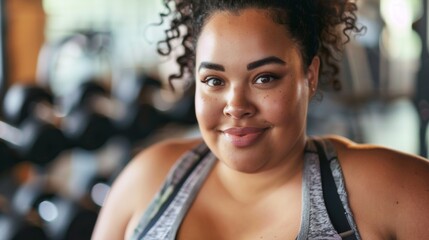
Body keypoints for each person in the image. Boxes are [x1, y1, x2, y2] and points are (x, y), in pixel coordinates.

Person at [92, 0, 429, 239]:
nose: (236, 106)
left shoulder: (395, 190)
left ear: (310, 76)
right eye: (214, 80)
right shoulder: (147, 179)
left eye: (264, 78)